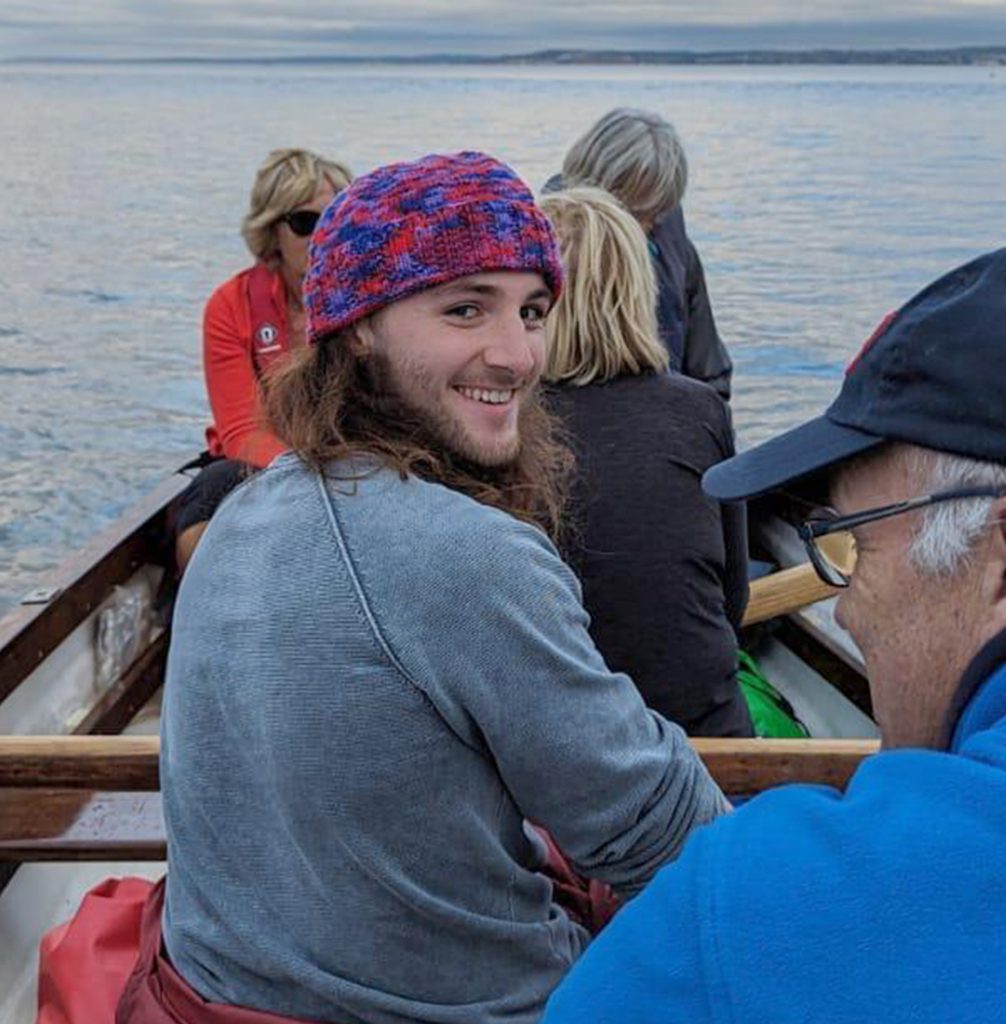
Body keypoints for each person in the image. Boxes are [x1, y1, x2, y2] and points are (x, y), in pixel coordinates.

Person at [119, 152, 728, 1023]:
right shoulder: (467, 553)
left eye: (532, 310)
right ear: (359, 327)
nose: (517, 355)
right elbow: (659, 832)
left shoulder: (241, 518)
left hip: (216, 991)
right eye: (465, 308)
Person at [543, 248, 1006, 1024]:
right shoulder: (693, 408)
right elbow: (728, 603)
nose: (846, 611)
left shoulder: (751, 905)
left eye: (854, 544)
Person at [539, 186, 752, 737]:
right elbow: (733, 599)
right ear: (638, 290)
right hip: (708, 729)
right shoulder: (700, 408)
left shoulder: (502, 425)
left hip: (573, 742)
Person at [175, 147, 353, 568]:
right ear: (272, 231)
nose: (322, 236)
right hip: (264, 466)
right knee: (208, 499)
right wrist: (318, 488)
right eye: (305, 223)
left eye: (335, 220)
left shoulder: (374, 302)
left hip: (360, 458)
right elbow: (242, 432)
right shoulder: (230, 306)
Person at [550, 107, 733, 398]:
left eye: (657, 213)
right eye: (636, 214)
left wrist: (704, 414)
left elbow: (710, 371)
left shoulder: (674, 243)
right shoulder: (546, 252)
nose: (645, 228)